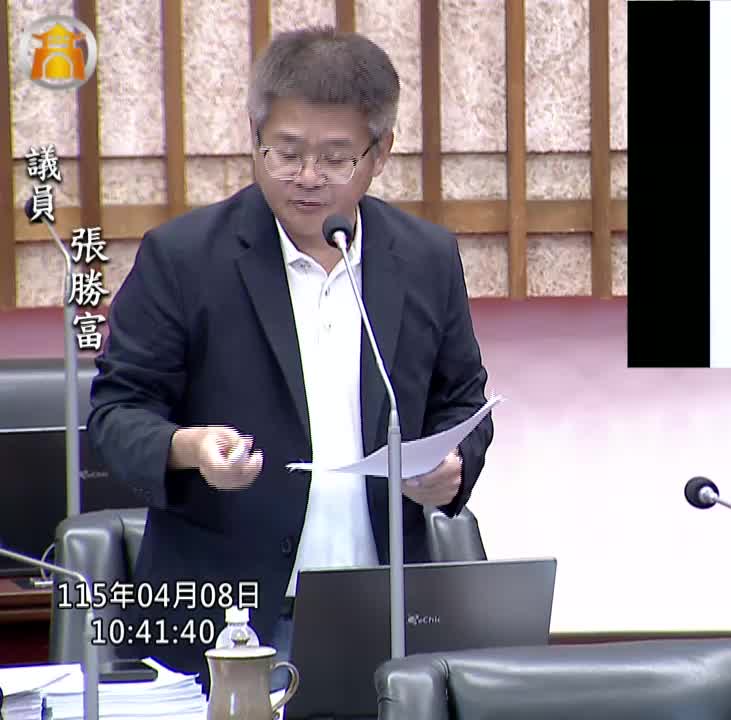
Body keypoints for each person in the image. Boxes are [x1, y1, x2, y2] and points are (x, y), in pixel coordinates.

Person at [87, 26, 493, 683]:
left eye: (335, 158)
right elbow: (115, 414)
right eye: (286, 152)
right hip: (230, 615)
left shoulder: (425, 258)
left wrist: (451, 467)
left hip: (385, 607)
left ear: (380, 153)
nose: (307, 177)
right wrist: (189, 447)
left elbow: (463, 402)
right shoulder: (184, 258)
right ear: (255, 137)